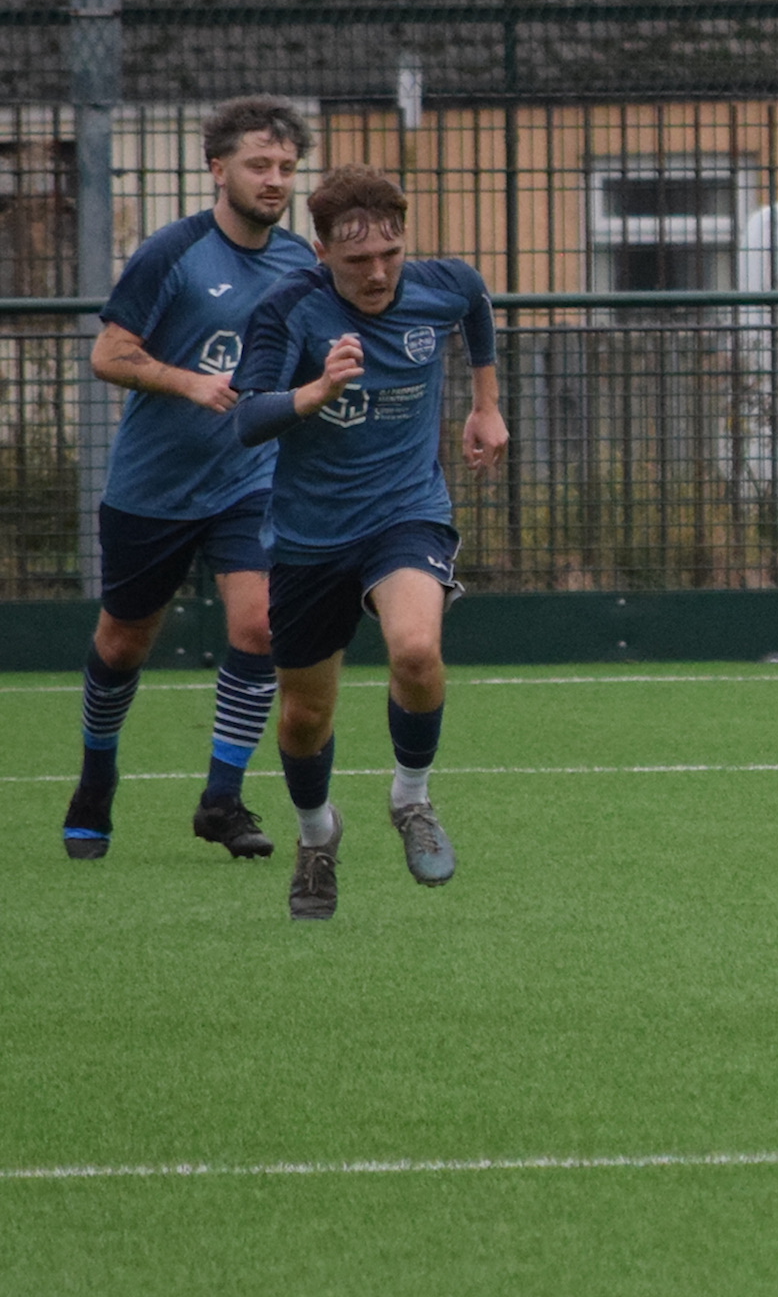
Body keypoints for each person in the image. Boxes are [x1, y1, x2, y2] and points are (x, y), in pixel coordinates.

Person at [231, 165, 507, 921]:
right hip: (309, 537)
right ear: (320, 254)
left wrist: (485, 406)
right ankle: (317, 838)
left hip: (405, 512)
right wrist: (316, 392)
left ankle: (411, 800)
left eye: (390, 252)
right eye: (358, 261)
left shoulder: (439, 284)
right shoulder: (288, 310)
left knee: (415, 650)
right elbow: (248, 418)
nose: (379, 271)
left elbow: (477, 300)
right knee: (302, 718)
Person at [62, 96, 320, 862]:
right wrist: (187, 383)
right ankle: (96, 778)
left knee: (260, 628)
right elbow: (109, 354)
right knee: (123, 642)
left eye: (284, 168)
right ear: (218, 170)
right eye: (258, 165)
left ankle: (222, 800)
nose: (273, 181)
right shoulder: (172, 252)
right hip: (155, 487)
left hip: (250, 480)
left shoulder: (300, 263)